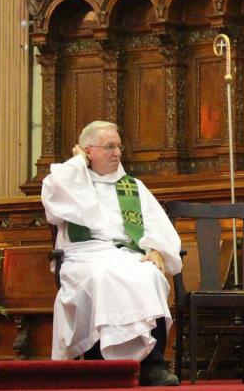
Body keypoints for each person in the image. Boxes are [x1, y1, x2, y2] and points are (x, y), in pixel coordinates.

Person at [42, 121, 182, 387]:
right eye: (109, 147)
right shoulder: (71, 183)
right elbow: (53, 188)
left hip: (128, 254)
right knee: (101, 277)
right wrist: (77, 163)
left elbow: (158, 224)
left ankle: (152, 365)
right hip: (84, 255)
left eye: (119, 146)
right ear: (88, 152)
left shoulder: (133, 186)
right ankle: (100, 365)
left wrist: (155, 249)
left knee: (149, 275)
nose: (117, 153)